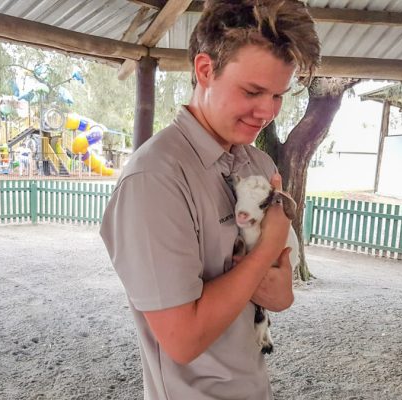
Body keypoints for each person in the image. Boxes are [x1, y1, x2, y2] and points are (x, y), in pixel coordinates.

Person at [100, 1, 320, 399]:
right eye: (253, 91)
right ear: (205, 70)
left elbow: (281, 295)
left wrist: (268, 271)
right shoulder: (155, 178)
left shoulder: (258, 161)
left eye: (278, 95)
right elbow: (182, 340)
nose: (267, 111)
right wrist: (265, 247)